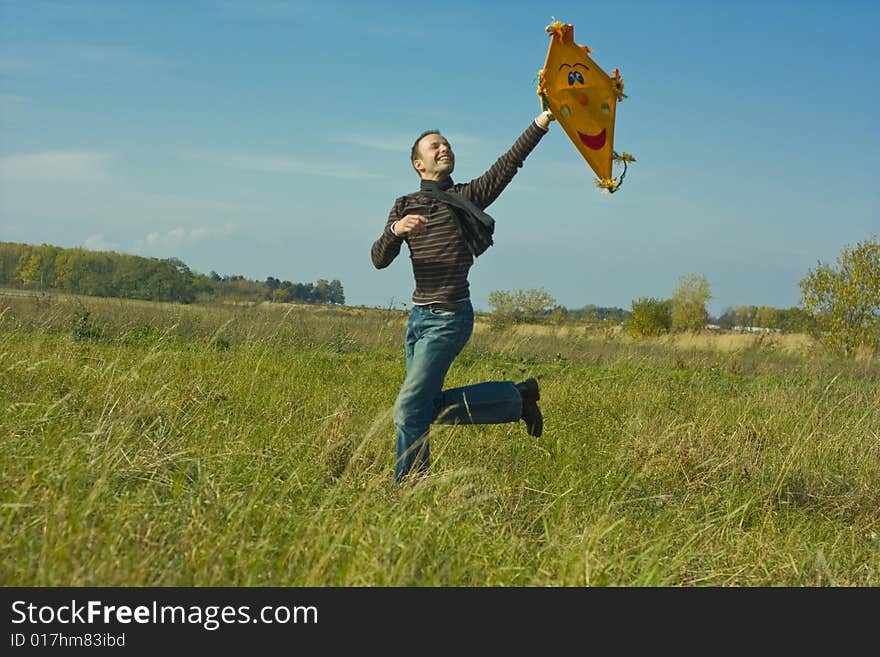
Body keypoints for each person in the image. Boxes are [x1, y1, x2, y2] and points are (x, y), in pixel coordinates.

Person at [371, 110, 554, 482]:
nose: (444, 149)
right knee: (422, 407)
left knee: (408, 408)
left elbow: (508, 164)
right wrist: (396, 229)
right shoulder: (404, 205)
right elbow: (379, 259)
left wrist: (541, 122)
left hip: (450, 317)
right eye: (435, 146)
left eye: (447, 145)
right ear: (417, 163)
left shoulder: (467, 197)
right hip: (418, 318)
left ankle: (407, 488)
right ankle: (516, 398)